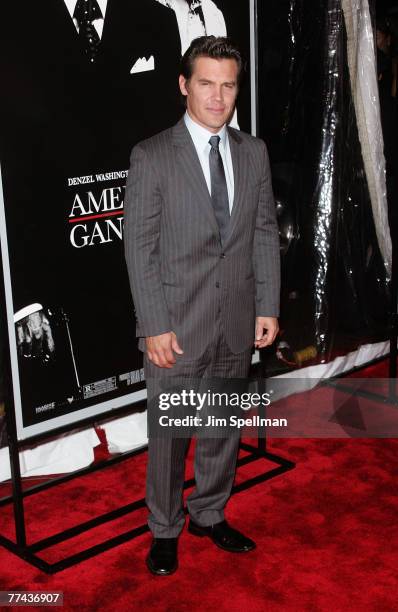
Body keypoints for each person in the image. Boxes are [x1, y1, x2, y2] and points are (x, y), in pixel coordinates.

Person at [124, 36, 280, 575]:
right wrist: (154, 324)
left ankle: (208, 513)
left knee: (223, 425)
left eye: (229, 85)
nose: (218, 97)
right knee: (169, 435)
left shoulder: (253, 151)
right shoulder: (151, 155)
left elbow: (262, 231)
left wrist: (267, 305)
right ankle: (163, 528)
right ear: (184, 86)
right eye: (207, 84)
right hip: (177, 325)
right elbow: (139, 249)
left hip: (236, 318)